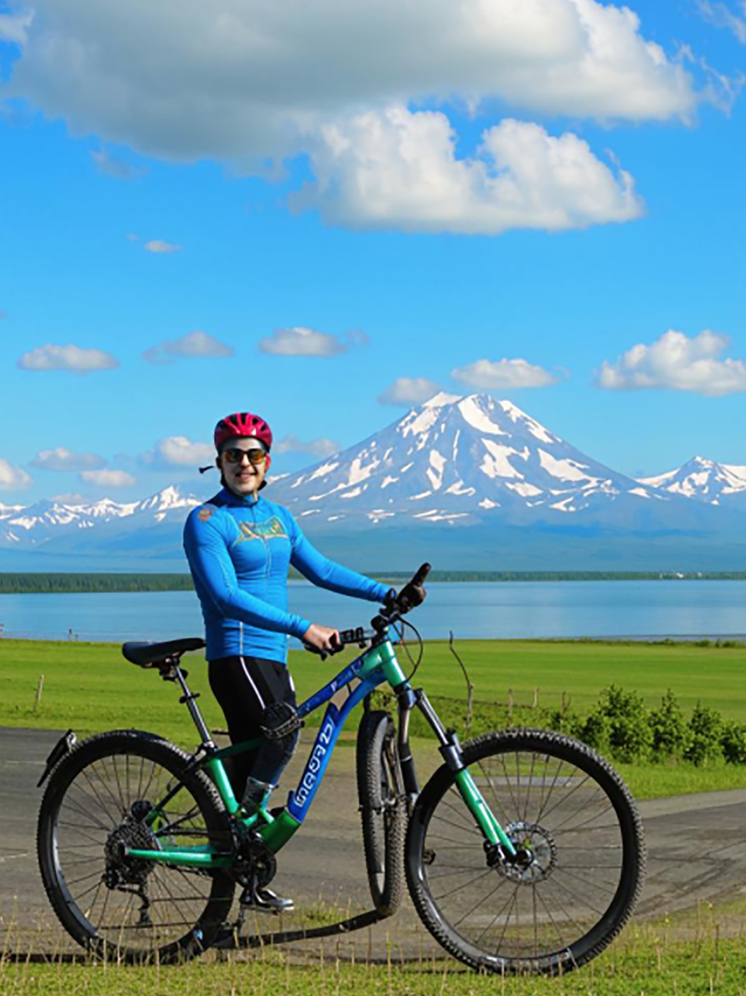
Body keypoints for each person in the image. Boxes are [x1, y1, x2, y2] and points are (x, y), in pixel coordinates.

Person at [183, 411, 393, 912]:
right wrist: (303, 627)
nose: (243, 463)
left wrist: (387, 593)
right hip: (236, 652)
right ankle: (245, 844)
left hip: (272, 655)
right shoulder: (207, 521)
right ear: (218, 463)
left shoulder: (280, 518)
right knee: (283, 732)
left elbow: (320, 569)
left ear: (267, 462)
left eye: (253, 455)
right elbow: (225, 596)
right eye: (233, 455)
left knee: (251, 760)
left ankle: (240, 863)